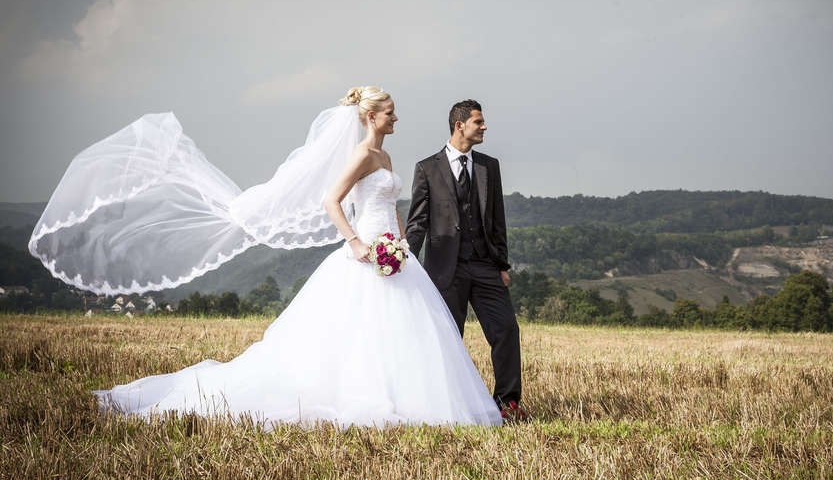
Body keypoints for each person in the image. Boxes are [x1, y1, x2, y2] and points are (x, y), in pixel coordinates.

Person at [31, 87, 502, 429]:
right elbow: (331, 201)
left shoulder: (386, 159)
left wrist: (398, 244)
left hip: (393, 253)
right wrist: (357, 244)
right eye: (391, 113)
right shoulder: (360, 155)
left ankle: (415, 399)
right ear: (371, 116)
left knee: (408, 328)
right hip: (363, 252)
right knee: (357, 328)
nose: (397, 119)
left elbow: (392, 207)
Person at [406, 100, 525, 421]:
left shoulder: (489, 166)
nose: (484, 127)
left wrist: (502, 266)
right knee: (448, 338)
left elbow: (497, 219)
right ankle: (445, 405)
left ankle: (508, 402)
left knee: (506, 330)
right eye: (479, 122)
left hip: (486, 266)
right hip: (446, 269)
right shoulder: (427, 168)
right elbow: (417, 222)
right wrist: (408, 262)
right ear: (460, 125)